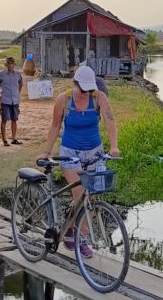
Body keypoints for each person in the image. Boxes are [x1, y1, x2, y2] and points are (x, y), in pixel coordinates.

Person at [41, 64, 119, 255]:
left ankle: (73, 232)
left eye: (89, 88)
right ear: (75, 83)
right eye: (83, 88)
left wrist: (114, 146)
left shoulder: (99, 97)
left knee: (92, 196)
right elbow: (55, 126)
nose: (86, 92)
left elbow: (110, 122)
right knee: (79, 194)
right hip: (70, 153)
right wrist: (46, 152)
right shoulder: (64, 100)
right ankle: (79, 240)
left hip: (94, 152)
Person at [0, 56, 23, 146]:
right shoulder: (1, 74)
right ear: (6, 64)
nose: (10, 65)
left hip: (15, 101)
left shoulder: (17, 74)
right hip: (5, 101)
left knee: (14, 120)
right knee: (4, 120)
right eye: (9, 63)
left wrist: (18, 92)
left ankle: (14, 139)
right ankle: (4, 140)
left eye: (12, 63)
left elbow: (21, 83)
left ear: (14, 64)